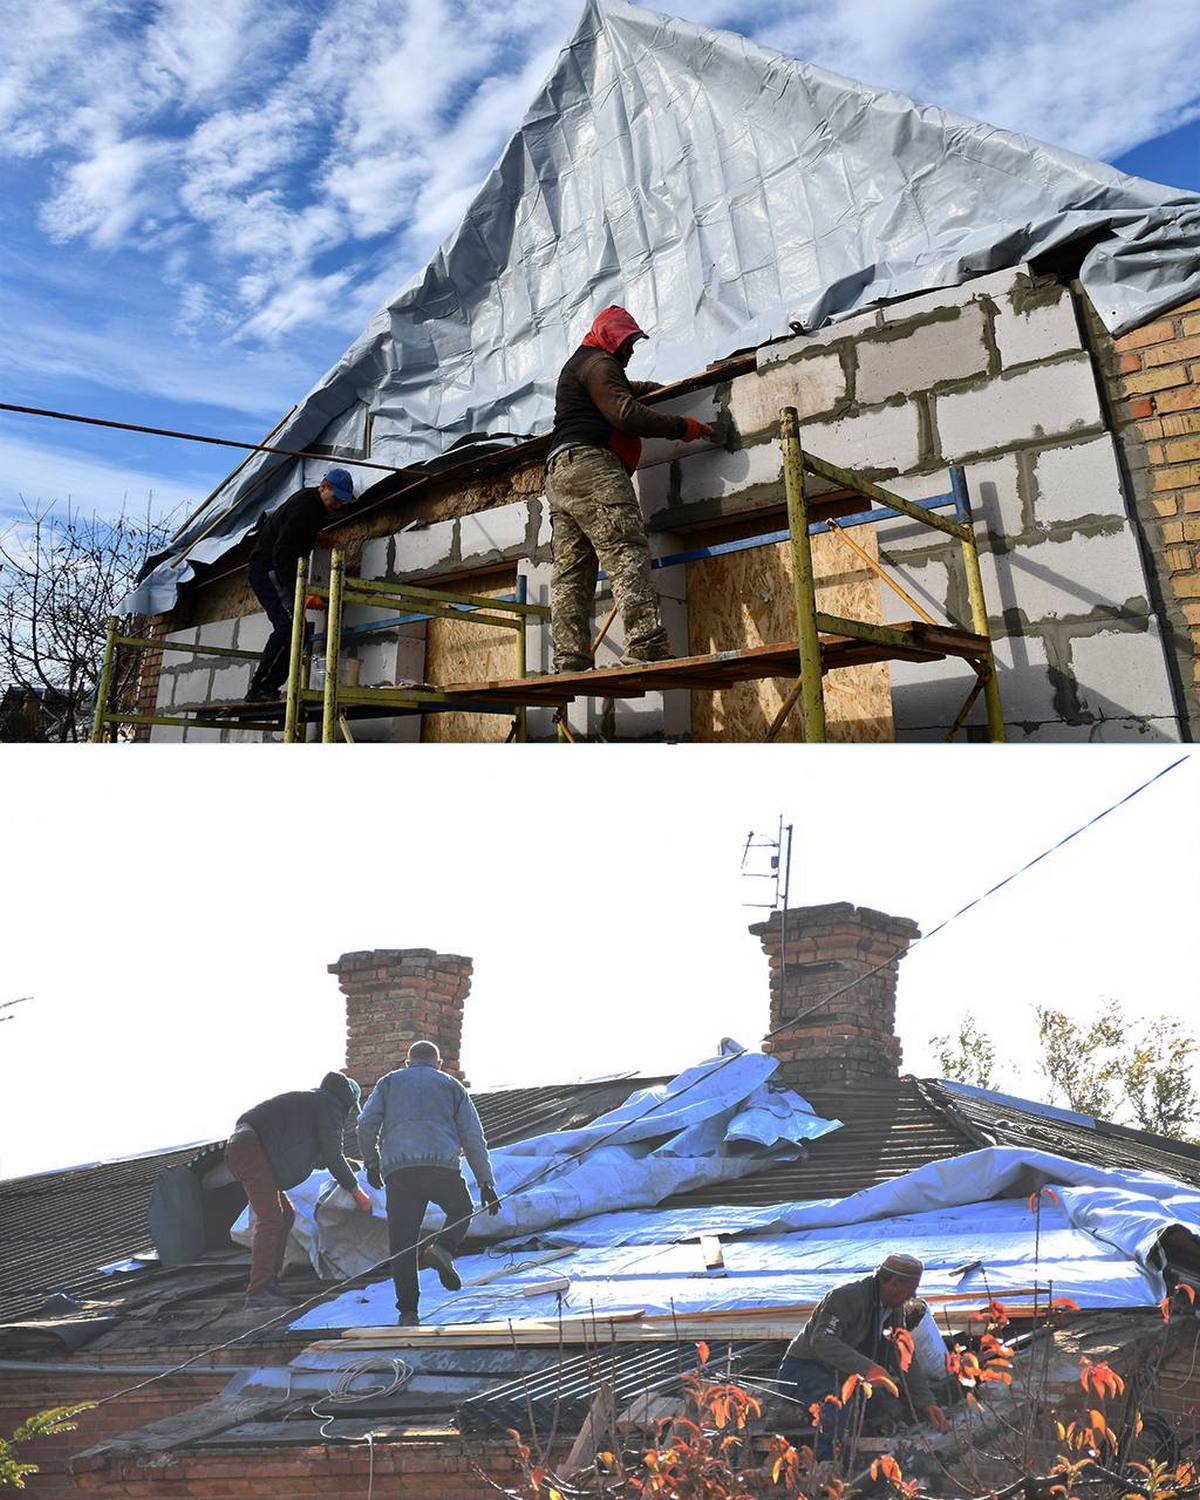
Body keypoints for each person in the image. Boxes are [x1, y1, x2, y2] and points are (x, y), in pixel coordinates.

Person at [545, 305, 715, 673]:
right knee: (625, 550)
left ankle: (571, 657)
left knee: (572, 571)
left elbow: (613, 390)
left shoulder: (582, 366)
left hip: (560, 473)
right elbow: (624, 413)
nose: (631, 351)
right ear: (611, 338)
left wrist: (646, 388)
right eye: (627, 343)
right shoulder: (598, 363)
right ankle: (647, 644)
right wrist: (680, 426)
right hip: (592, 466)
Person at [357, 1040, 501, 1326]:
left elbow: (365, 1124)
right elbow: (473, 1137)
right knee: (462, 1208)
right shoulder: (451, 1086)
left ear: (407, 1062)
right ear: (438, 1064)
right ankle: (443, 1248)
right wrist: (486, 1182)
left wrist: (371, 1163)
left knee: (402, 1244)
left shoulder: (389, 1082)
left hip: (400, 1171)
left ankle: (408, 1311)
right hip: (441, 1167)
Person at [776, 1253, 950, 1458]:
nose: (912, 1295)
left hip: (842, 1373)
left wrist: (926, 1401)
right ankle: (826, 1468)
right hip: (803, 1370)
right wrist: (869, 1368)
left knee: (890, 1402)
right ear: (893, 1283)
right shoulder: (846, 1297)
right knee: (839, 1405)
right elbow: (822, 1341)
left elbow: (903, 1355)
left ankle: (817, 1423)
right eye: (911, 1288)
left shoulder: (894, 1309)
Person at [225, 1071, 372, 1307]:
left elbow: (322, 1155)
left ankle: (270, 1283)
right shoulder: (329, 1105)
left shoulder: (312, 1104)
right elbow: (333, 1157)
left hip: (246, 1147)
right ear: (347, 1100)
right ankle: (259, 1291)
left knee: (285, 1214)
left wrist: (351, 1165)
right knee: (271, 1218)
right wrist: (358, 1194)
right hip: (250, 1149)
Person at [244, 467, 356, 702]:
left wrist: (316, 535)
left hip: (274, 569)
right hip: (268, 570)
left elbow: (292, 529)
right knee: (289, 627)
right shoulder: (306, 507)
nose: (337, 506)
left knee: (299, 631)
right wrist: (301, 595)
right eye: (336, 499)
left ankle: (268, 686)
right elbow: (281, 552)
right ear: (324, 486)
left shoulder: (312, 506)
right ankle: (259, 688)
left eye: (341, 502)